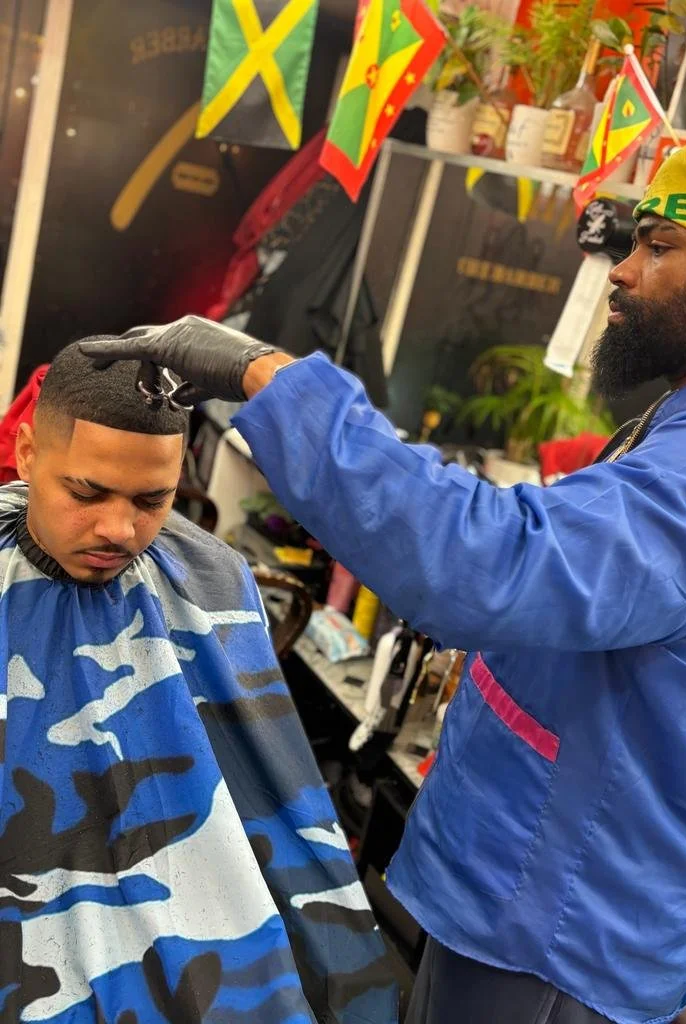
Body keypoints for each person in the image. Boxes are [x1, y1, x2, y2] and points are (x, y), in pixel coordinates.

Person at [81, 125, 686, 1024]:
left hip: (559, 928)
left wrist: (265, 376)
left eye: (660, 245)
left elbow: (497, 564)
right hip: (526, 892)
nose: (623, 268)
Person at [0, 344, 397, 1023]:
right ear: (29, 452)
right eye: (87, 493)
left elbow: (270, 787)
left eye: (152, 500)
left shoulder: (210, 577)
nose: (119, 529)